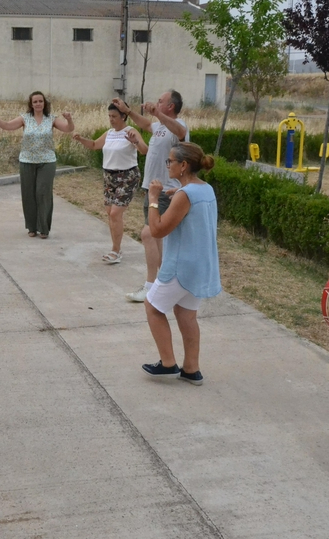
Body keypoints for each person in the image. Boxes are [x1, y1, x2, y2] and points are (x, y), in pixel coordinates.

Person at [141, 142, 220, 386]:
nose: (167, 165)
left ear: (183, 166)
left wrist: (153, 199)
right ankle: (191, 369)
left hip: (180, 266)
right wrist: (177, 196)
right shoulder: (205, 189)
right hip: (201, 266)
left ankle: (167, 364)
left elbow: (157, 230)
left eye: (170, 161)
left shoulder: (185, 195)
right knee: (186, 314)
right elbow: (191, 206)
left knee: (153, 306)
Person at [113, 92, 190, 301]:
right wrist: (127, 110)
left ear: (171, 106)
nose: (156, 103)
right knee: (156, 238)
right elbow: (147, 125)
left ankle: (150, 286)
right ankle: (166, 282)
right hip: (152, 189)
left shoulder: (177, 126)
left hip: (166, 191)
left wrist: (158, 114)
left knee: (148, 234)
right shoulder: (159, 127)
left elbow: (181, 132)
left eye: (160, 101)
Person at [0, 91, 74, 238]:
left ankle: (44, 228)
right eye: (35, 102)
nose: (38, 104)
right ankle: (32, 227)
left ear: (44, 103)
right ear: (31, 104)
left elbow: (68, 129)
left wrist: (69, 119)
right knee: (28, 194)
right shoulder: (25, 118)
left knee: (43, 193)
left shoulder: (51, 119)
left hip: (47, 161)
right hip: (27, 161)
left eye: (40, 101)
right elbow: (8, 126)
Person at [73, 103, 147, 264]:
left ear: (123, 117)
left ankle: (116, 250)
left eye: (114, 116)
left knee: (115, 213)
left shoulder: (130, 132)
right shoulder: (109, 134)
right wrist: (81, 139)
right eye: (109, 116)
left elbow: (144, 150)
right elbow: (94, 145)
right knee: (110, 213)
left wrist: (135, 142)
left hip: (127, 176)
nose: (111, 120)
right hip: (109, 176)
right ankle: (115, 247)